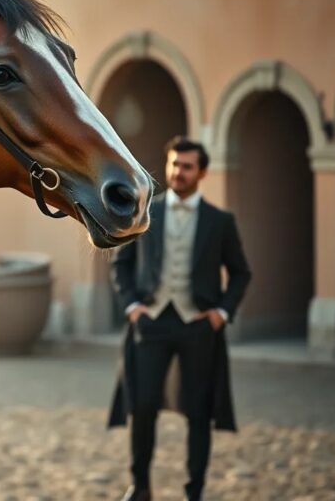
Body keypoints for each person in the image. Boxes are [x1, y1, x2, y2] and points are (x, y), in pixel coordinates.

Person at [109, 137, 252, 501]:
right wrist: (131, 307)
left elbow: (240, 273)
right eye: (174, 164)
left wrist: (221, 313)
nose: (178, 172)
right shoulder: (146, 211)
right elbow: (121, 265)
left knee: (199, 412)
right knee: (141, 406)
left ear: (201, 172)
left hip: (198, 327)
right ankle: (140, 486)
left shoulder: (220, 222)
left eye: (187, 166)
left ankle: (195, 491)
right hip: (151, 322)